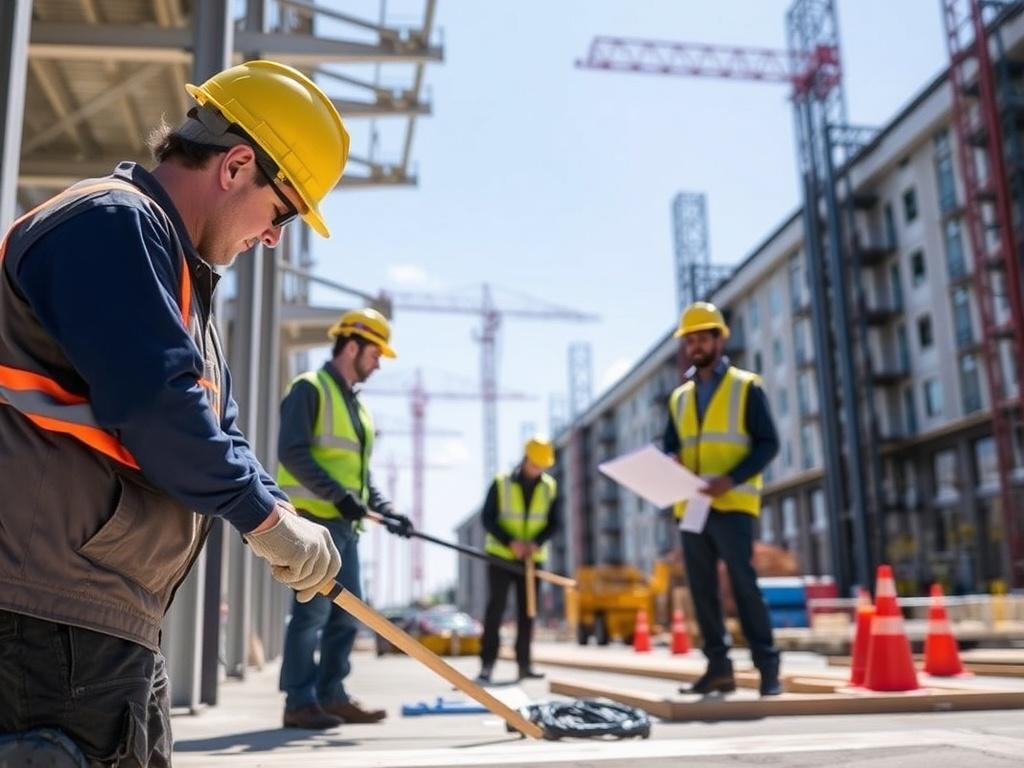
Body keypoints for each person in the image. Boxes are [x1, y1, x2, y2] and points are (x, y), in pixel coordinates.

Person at [0, 60, 349, 765]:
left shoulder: (176, 272)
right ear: (237, 164)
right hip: (42, 614)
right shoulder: (110, 223)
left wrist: (283, 512)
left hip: (102, 616)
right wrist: (267, 521)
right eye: (281, 210)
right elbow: (157, 405)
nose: (276, 235)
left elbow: (222, 430)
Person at [276, 308, 414, 728]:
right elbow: (292, 453)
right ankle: (299, 702)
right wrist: (339, 497)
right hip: (314, 521)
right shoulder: (309, 388)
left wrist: (386, 510)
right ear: (351, 346)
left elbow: (359, 473)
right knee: (313, 613)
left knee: (348, 612)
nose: (377, 364)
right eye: (374, 354)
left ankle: (331, 695)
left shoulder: (357, 406)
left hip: (344, 526)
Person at [664, 301, 782, 697]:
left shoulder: (746, 386)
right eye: (690, 340)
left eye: (703, 338)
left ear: (719, 339)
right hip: (692, 508)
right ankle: (718, 668)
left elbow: (768, 444)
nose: (696, 346)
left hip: (731, 504)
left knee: (744, 584)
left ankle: (768, 669)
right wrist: (671, 462)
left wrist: (729, 479)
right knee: (701, 591)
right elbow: (670, 446)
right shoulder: (679, 397)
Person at [477, 436, 562, 683]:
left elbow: (555, 523)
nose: (538, 470)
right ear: (525, 459)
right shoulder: (501, 482)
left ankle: (525, 665)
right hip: (502, 556)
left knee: (528, 612)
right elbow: (487, 518)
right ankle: (487, 665)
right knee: (496, 610)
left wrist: (536, 543)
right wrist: (509, 542)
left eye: (542, 466)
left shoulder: (549, 487)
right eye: (535, 465)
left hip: (531, 560)